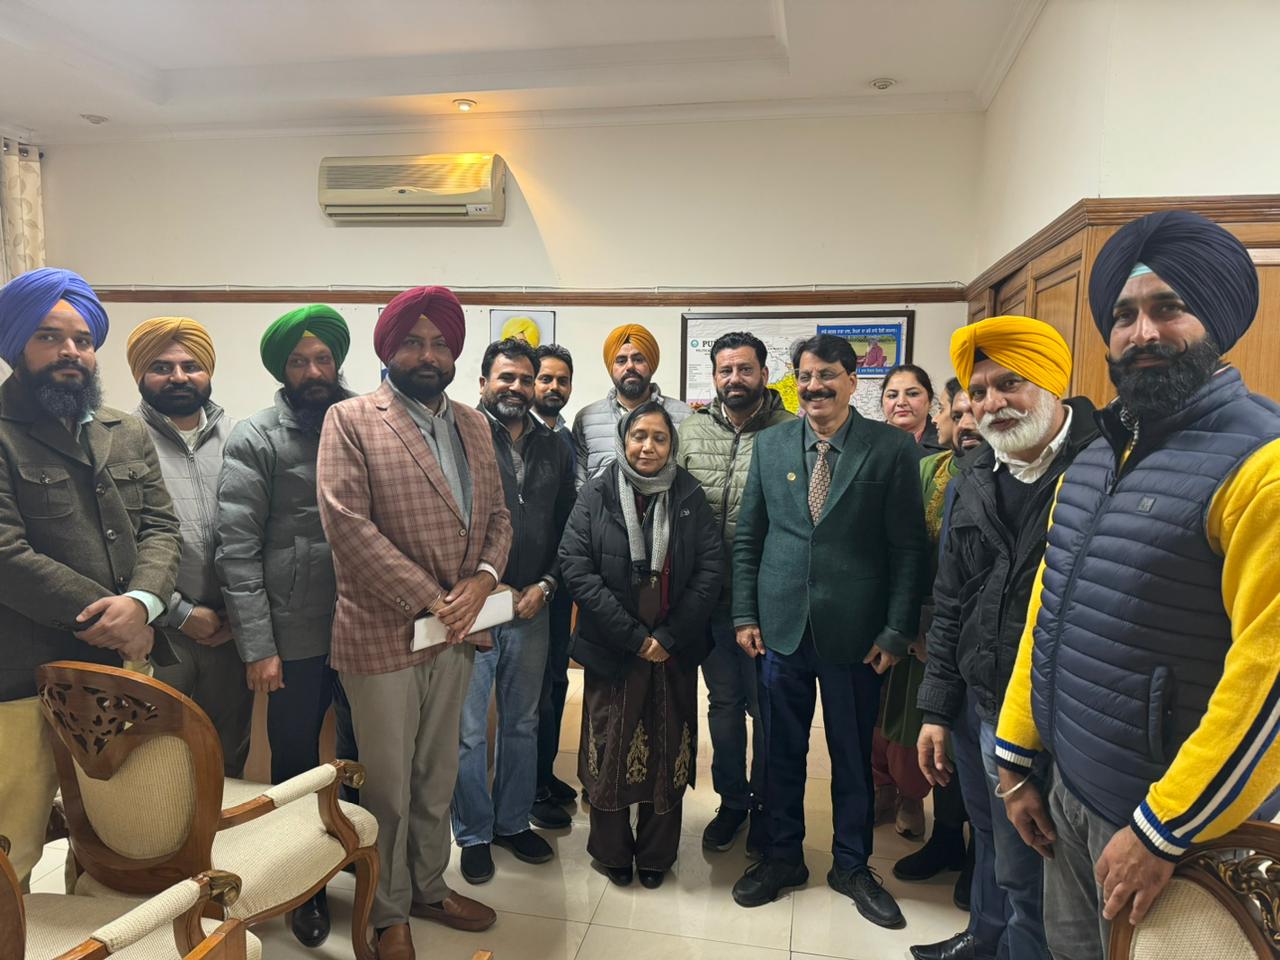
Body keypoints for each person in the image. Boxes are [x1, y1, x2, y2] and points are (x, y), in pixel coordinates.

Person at [995, 211, 1280, 960]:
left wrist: (1165, 830)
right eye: (1123, 315)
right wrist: (1018, 756)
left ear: (1215, 319)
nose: (1143, 332)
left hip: (1174, 835)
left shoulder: (1263, 463)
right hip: (1069, 792)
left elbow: (1267, 682)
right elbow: (1049, 611)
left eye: (1168, 307)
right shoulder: (1093, 457)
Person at [318, 285, 511, 960]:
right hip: (384, 633)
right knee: (390, 788)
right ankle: (387, 910)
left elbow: (498, 516)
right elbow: (347, 526)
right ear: (388, 350)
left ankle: (430, 886)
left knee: (437, 776)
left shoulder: (475, 424)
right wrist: (434, 598)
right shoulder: (350, 418)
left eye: (439, 344)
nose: (428, 355)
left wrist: (483, 580)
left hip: (456, 632)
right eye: (412, 343)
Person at [909, 316, 1098, 960]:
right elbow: (952, 599)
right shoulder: (974, 471)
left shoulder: (1105, 465)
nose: (992, 404)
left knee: (1049, 886)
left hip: (1061, 722)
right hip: (978, 701)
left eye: (1009, 384)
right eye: (979, 391)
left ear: (1051, 381)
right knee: (994, 845)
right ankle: (984, 938)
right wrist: (937, 709)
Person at [731, 334, 929, 929]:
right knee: (780, 752)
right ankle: (782, 857)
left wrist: (895, 631)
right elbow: (749, 536)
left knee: (851, 754)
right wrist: (745, 614)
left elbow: (908, 548)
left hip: (857, 635)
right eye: (805, 376)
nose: (814, 386)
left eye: (827, 376)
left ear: (852, 381)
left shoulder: (890, 448)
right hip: (780, 629)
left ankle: (851, 865)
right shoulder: (770, 445)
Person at [0, 268, 181, 884]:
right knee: (12, 844)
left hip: (119, 671)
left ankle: (99, 930)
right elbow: (5, 554)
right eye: (49, 337)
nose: (70, 351)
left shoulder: (124, 429)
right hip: (21, 676)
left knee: (117, 833)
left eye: (81, 339)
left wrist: (145, 601)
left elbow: (161, 525)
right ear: (17, 345)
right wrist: (116, 616)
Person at [215, 304, 354, 948]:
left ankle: (360, 860)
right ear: (283, 370)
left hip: (368, 626)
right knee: (296, 763)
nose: (313, 371)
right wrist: (258, 647)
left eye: (323, 358)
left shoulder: (367, 421)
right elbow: (236, 548)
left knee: (364, 755)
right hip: (293, 634)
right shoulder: (256, 437)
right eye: (299, 361)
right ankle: (304, 887)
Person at [559, 401, 723, 889]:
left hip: (673, 649)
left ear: (672, 445)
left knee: (668, 746)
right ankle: (611, 850)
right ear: (623, 440)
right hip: (613, 647)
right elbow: (575, 565)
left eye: (659, 438)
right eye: (638, 436)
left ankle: (656, 853)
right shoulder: (597, 493)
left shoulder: (689, 494)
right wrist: (633, 637)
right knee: (608, 745)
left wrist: (667, 637)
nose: (647, 447)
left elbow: (710, 570)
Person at [451, 337, 575, 883]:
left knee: (523, 721)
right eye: (507, 377)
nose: (518, 388)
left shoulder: (555, 446)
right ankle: (474, 832)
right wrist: (483, 584)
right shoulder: (459, 437)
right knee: (469, 730)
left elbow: (570, 526)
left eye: (526, 379)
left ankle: (512, 822)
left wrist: (546, 585)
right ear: (483, 383)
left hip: (532, 605)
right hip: (475, 605)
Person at [676, 331, 793, 855]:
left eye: (745, 369)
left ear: (764, 374)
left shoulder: (790, 432)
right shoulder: (691, 430)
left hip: (769, 603)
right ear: (714, 377)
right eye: (725, 370)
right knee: (722, 705)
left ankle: (768, 804)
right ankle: (733, 802)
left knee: (767, 708)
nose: (735, 379)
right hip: (707, 600)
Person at [128, 316, 251, 778]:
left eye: (191, 366)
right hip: (157, 632)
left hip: (231, 633)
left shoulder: (243, 437)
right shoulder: (118, 440)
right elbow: (117, 545)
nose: (179, 377)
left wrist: (239, 617)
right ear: (140, 373)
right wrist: (179, 613)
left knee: (226, 755)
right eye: (162, 367)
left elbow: (261, 532)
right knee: (151, 757)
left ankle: (220, 829)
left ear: (208, 372)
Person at [530, 342, 580, 829]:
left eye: (562, 380)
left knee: (557, 679)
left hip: (558, 577)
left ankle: (544, 773)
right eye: (545, 378)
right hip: (521, 583)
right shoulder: (515, 435)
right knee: (533, 690)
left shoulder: (564, 436)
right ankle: (529, 787)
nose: (553, 387)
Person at [571, 323, 691, 488]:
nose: (630, 366)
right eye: (621, 361)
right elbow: (579, 482)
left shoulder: (683, 416)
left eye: (638, 359)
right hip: (598, 504)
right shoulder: (587, 418)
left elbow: (688, 481)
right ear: (611, 367)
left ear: (651, 364)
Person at [881, 364, 944, 453]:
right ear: (882, 402)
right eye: (892, 395)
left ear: (930, 400)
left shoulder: (949, 444)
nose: (901, 402)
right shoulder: (864, 440)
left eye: (913, 394)